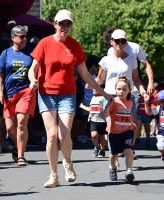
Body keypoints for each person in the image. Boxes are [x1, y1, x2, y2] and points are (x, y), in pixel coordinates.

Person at [28, 9, 113, 188]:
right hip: (46, 93)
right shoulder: (44, 43)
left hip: (67, 94)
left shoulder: (74, 46)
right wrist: (32, 79)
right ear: (55, 24)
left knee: (64, 135)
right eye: (62, 23)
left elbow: (85, 75)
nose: (65, 27)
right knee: (51, 136)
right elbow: (32, 68)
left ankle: (67, 163)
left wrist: (104, 93)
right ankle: (53, 175)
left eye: (69, 24)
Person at [104, 28, 154, 147]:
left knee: (131, 117)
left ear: (126, 41)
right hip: (114, 91)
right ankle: (117, 149)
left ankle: (129, 144)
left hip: (132, 89)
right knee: (114, 121)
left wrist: (150, 82)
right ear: (112, 41)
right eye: (117, 41)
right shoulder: (110, 52)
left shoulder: (135, 48)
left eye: (122, 41)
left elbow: (146, 65)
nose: (120, 43)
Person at [0, 25, 36, 166]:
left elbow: (38, 70)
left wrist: (34, 83)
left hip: (26, 91)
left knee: (21, 123)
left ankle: (21, 156)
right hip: (9, 94)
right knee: (10, 128)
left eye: (26, 36)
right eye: (21, 36)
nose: (25, 39)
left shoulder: (32, 53)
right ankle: (18, 146)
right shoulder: (5, 54)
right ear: (13, 38)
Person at [103, 76, 137, 181]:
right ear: (115, 89)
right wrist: (108, 106)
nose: (121, 91)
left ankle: (129, 171)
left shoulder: (130, 103)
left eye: (124, 89)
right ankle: (112, 167)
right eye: (119, 89)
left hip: (127, 131)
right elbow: (105, 115)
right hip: (114, 132)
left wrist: (131, 123)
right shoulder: (114, 102)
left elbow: (125, 116)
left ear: (129, 91)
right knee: (114, 154)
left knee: (128, 151)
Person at [80, 84, 107, 157]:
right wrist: (82, 106)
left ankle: (102, 150)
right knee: (93, 135)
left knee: (102, 137)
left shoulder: (104, 98)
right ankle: (97, 147)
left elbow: (107, 109)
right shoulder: (93, 98)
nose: (93, 90)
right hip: (93, 120)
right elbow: (91, 109)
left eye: (95, 88)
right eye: (93, 88)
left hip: (102, 121)